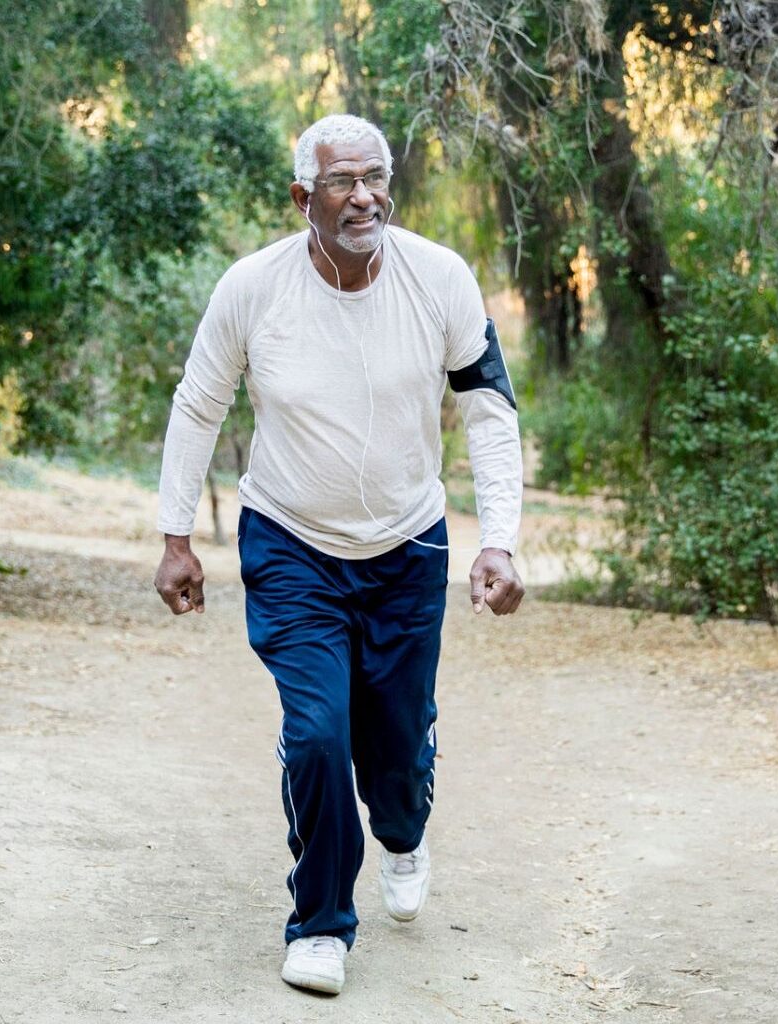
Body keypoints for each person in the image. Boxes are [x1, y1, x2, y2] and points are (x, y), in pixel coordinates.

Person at [152, 113, 526, 996]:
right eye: (340, 182)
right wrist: (176, 536)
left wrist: (499, 539)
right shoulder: (253, 288)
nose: (363, 196)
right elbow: (198, 405)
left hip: (408, 545)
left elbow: (489, 411)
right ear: (301, 199)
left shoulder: (440, 278)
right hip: (290, 542)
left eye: (375, 177)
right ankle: (320, 923)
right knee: (317, 734)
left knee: (394, 755)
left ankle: (402, 833)